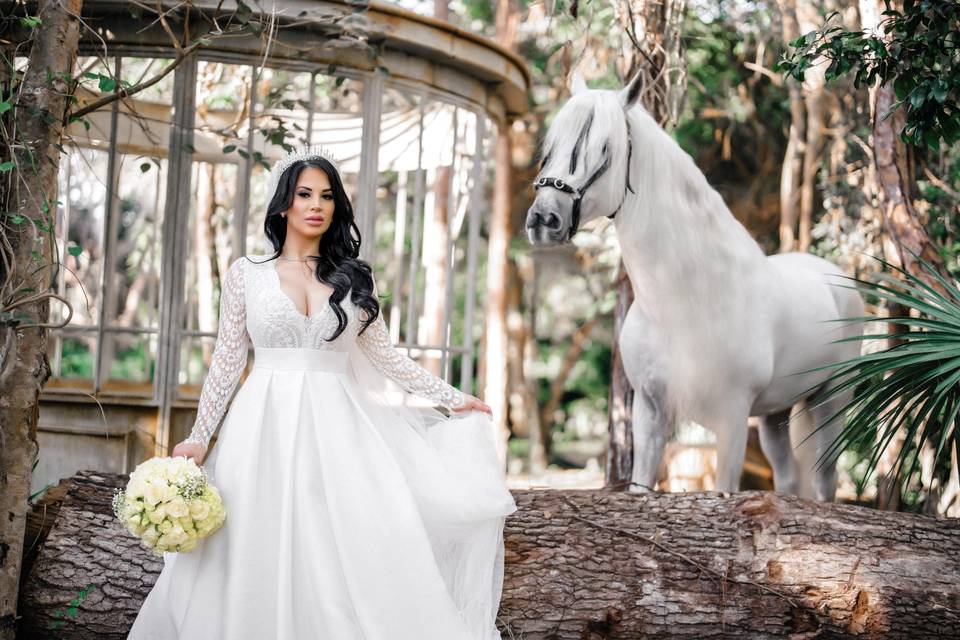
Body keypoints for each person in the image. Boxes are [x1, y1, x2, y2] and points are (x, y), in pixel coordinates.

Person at [127, 145, 517, 639]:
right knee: (252, 538)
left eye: (327, 196)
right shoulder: (247, 274)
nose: (317, 204)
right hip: (261, 425)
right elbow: (227, 364)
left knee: (351, 539)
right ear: (283, 204)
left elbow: (387, 357)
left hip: (339, 427)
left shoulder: (353, 279)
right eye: (305, 194)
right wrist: (200, 437)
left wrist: (452, 397)